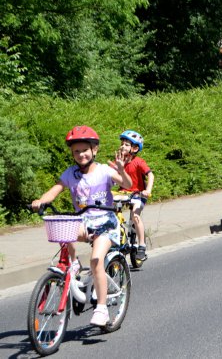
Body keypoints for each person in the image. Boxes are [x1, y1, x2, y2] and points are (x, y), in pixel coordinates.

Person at [31, 126, 132, 327]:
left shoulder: (104, 170)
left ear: (94, 150)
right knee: (63, 229)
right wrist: (41, 201)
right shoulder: (71, 174)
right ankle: (73, 262)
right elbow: (56, 189)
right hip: (83, 221)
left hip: (105, 223)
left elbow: (127, 184)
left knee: (96, 260)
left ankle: (102, 308)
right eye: (76, 151)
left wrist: (121, 169)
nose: (80, 154)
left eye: (85, 150)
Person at [117, 130, 154, 261]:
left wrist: (147, 190)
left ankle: (142, 245)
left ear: (135, 148)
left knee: (135, 215)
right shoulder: (120, 161)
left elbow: (150, 174)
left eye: (126, 144)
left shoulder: (138, 162)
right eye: (122, 144)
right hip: (123, 193)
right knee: (111, 213)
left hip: (138, 194)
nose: (122, 146)